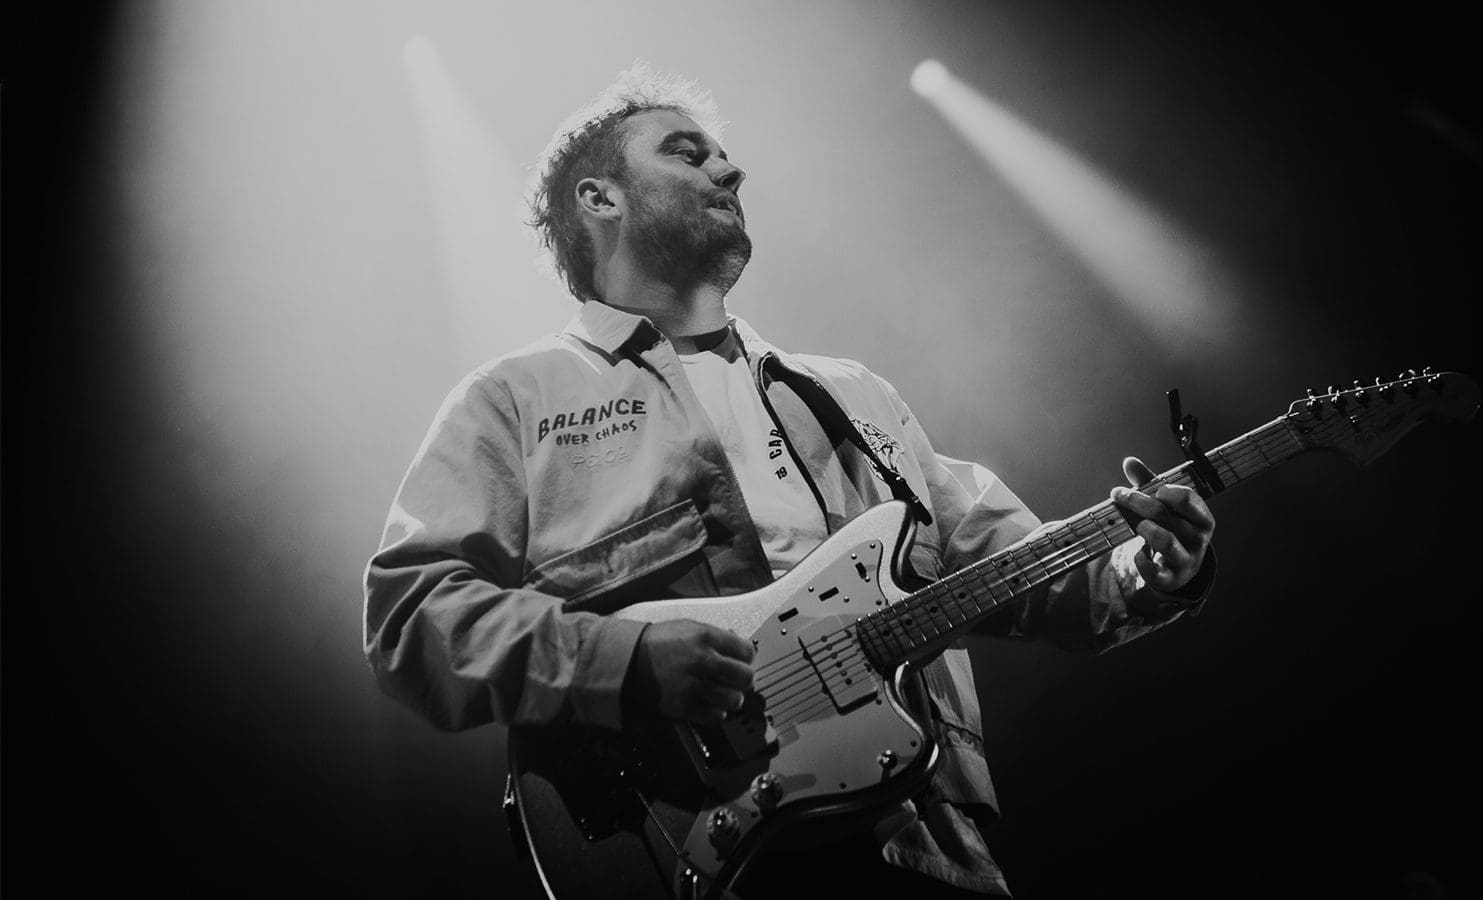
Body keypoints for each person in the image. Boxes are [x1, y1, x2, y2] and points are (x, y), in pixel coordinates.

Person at [364, 63, 1216, 899]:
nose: (729, 169)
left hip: (918, 839)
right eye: (687, 154)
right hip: (687, 846)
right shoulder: (517, 399)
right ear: (600, 199)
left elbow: (1013, 568)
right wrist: (623, 660)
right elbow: (414, 616)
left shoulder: (852, 394)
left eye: (720, 155)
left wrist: (1143, 571)